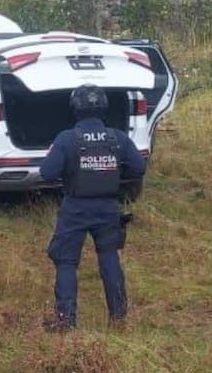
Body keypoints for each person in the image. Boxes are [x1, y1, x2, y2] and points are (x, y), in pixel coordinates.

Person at [39, 84, 147, 331]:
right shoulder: (118, 138)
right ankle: (118, 317)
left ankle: (65, 319)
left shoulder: (66, 139)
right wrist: (113, 174)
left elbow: (47, 172)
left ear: (75, 109)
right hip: (108, 207)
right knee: (109, 258)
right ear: (104, 107)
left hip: (75, 208)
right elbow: (139, 168)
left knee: (66, 262)